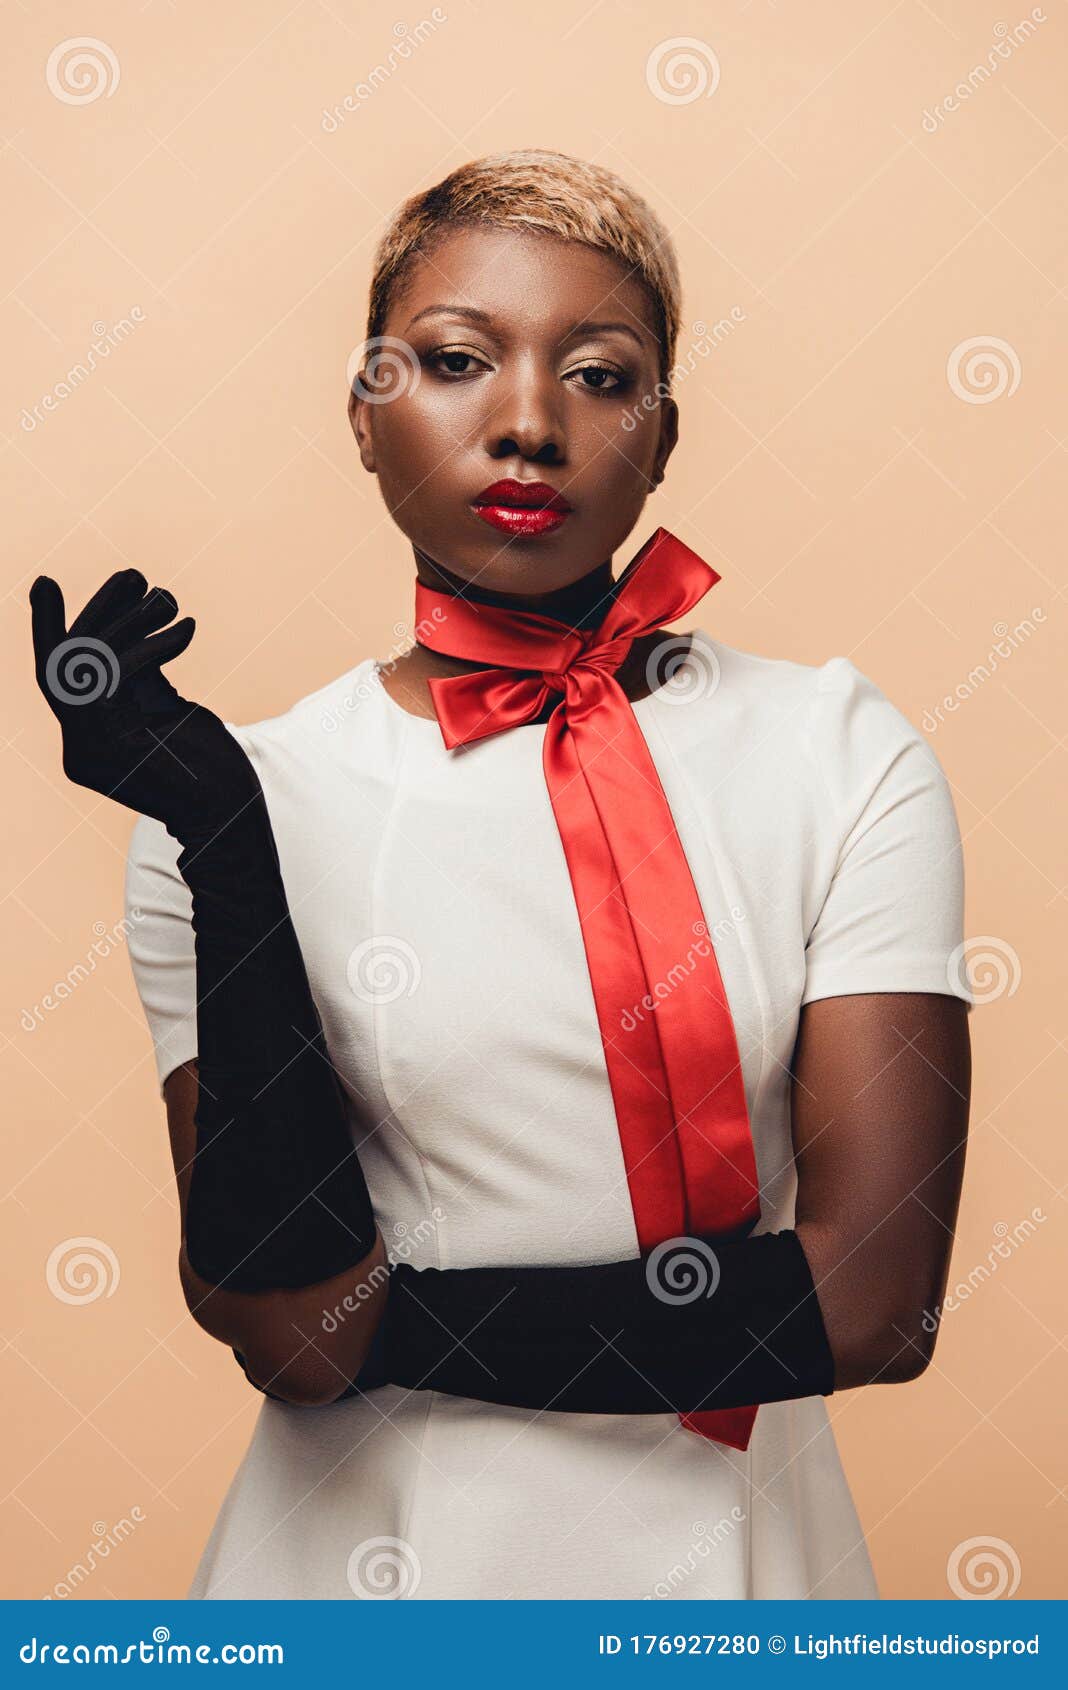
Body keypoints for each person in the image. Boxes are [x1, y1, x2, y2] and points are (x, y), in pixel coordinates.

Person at [30, 149, 972, 1601]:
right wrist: (225, 838)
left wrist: (385, 1332)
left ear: (664, 435)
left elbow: (871, 1306)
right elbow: (283, 1321)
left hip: (740, 1585)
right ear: (363, 412)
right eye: (457, 360)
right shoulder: (234, 803)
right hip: (357, 1588)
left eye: (600, 375)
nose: (527, 424)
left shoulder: (842, 755)